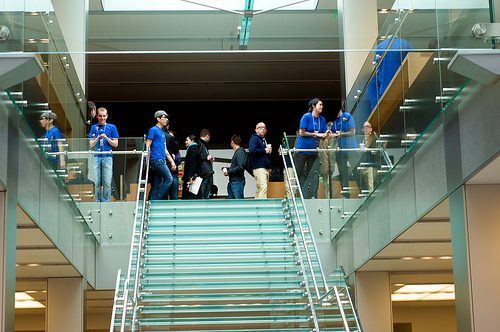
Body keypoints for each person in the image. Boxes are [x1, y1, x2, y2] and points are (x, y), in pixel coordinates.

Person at [294, 98, 332, 199]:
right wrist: (315, 134)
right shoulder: (306, 116)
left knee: (314, 174)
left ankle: (313, 195)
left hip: (314, 151)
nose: (322, 106)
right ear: (313, 106)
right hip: (302, 150)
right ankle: (297, 194)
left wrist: (327, 133)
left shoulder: (322, 119)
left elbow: (323, 135)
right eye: (320, 105)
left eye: (322, 105)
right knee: (298, 172)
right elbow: (302, 132)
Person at [88, 107, 119, 202]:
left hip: (107, 157)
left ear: (107, 116)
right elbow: (91, 144)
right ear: (97, 116)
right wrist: (97, 138)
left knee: (107, 182)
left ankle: (106, 202)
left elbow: (116, 144)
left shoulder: (112, 127)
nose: (102, 118)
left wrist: (106, 138)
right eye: (100, 116)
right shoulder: (94, 127)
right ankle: (97, 201)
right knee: (97, 181)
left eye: (104, 116)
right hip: (97, 156)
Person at [146, 110, 177, 200]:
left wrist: (172, 162)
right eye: (164, 117)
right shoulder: (153, 129)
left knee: (157, 183)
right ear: (158, 119)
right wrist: (147, 159)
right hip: (157, 160)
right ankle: (157, 198)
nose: (166, 119)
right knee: (169, 179)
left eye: (167, 118)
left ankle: (152, 202)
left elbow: (165, 150)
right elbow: (148, 144)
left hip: (161, 159)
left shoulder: (162, 133)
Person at [332, 105, 360, 198]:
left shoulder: (347, 116)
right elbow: (333, 134)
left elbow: (352, 132)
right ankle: (346, 194)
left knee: (356, 171)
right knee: (342, 173)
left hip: (351, 148)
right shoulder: (334, 121)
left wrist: (341, 134)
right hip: (340, 150)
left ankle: (363, 191)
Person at [249, 122, 272, 199]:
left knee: (260, 188)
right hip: (259, 167)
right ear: (256, 130)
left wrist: (268, 167)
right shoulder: (254, 138)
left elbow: (263, 155)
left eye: (264, 127)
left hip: (264, 167)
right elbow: (252, 151)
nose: (263, 129)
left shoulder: (262, 140)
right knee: (263, 187)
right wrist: (265, 150)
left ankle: (257, 207)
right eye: (260, 127)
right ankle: (262, 207)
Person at [223, 135, 246, 199]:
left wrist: (229, 171)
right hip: (234, 182)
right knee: (232, 203)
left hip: (237, 182)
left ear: (232, 142)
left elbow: (241, 167)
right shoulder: (238, 152)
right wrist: (228, 169)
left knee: (238, 204)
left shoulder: (240, 152)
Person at [318, 121, 337, 198]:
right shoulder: (326, 139)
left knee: (327, 183)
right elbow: (330, 153)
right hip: (327, 164)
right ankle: (329, 198)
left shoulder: (323, 139)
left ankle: (328, 198)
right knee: (328, 183)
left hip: (326, 164)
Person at [361, 121, 379, 193]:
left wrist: (367, 149)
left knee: (371, 186)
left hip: (371, 164)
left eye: (367, 127)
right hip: (364, 164)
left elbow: (375, 150)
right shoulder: (362, 139)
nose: (366, 129)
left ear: (371, 129)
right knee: (367, 186)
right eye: (364, 127)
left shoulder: (373, 137)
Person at [182, 134, 202, 199]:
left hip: (192, 177)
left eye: (187, 140)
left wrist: (190, 176)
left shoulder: (193, 149)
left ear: (192, 141)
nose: (185, 142)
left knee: (190, 196)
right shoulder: (194, 149)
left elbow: (192, 164)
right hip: (193, 176)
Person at [164, 125, 181, 200]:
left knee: (174, 195)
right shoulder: (164, 147)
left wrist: (175, 158)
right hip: (165, 173)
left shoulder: (175, 148)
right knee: (164, 194)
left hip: (174, 173)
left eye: (171, 138)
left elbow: (179, 160)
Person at [198, 128, 215, 199]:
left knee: (205, 195)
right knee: (203, 195)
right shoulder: (199, 144)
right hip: (204, 175)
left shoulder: (202, 145)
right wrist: (206, 157)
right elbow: (197, 157)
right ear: (207, 136)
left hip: (206, 174)